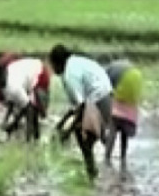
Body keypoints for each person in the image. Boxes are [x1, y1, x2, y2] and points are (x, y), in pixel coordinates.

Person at [49, 45, 114, 180]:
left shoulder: (69, 74)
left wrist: (67, 132)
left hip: (99, 98)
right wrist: (61, 124)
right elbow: (76, 107)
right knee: (97, 135)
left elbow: (82, 106)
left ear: (57, 62)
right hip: (105, 95)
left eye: (52, 64)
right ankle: (110, 168)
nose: (51, 68)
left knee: (83, 135)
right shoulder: (74, 63)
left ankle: (93, 174)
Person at [0, 53, 51, 142]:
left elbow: (29, 108)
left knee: (38, 112)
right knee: (24, 107)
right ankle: (33, 137)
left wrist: (27, 139)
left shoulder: (13, 87)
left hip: (39, 73)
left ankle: (33, 139)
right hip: (26, 76)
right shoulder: (0, 87)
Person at [102, 58, 142, 166]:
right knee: (124, 129)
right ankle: (123, 157)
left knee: (113, 127)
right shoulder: (122, 66)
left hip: (124, 83)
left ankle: (107, 157)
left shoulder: (106, 73)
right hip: (136, 79)